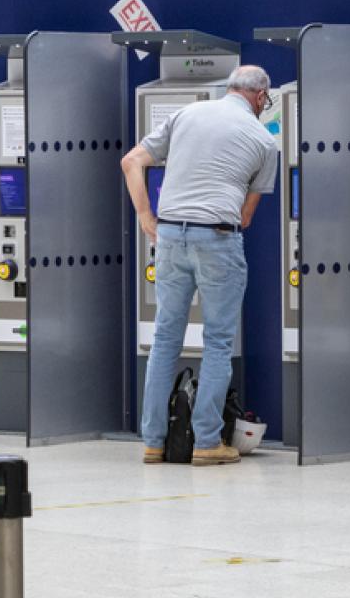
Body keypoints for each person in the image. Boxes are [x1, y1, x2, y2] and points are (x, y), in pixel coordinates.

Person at [120, 65, 280, 466]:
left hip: (170, 237)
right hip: (218, 238)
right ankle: (207, 441)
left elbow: (131, 161)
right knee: (219, 342)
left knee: (165, 339)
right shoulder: (265, 140)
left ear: (230, 89)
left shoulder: (187, 114)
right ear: (260, 98)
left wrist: (145, 216)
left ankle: (154, 442)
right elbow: (245, 217)